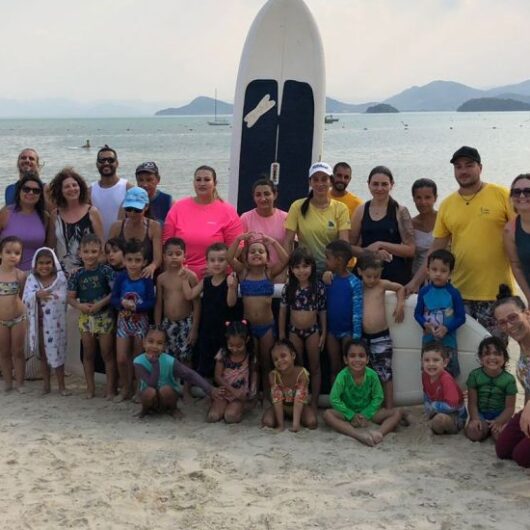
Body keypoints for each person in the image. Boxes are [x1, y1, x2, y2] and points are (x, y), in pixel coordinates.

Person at [406, 146, 513, 342]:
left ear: (480, 167)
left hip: (497, 292)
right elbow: (436, 248)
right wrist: (414, 283)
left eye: (469, 165)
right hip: (458, 293)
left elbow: (520, 235)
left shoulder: (501, 194)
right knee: (462, 350)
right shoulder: (448, 204)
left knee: (496, 352)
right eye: (458, 166)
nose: (463, 171)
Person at [227, 232, 289, 396]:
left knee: (266, 361)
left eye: (261, 251)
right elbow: (229, 258)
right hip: (248, 327)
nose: (256, 254)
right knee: (252, 363)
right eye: (252, 251)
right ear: (246, 258)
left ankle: (268, 394)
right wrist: (239, 239)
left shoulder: (269, 274)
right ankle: (253, 394)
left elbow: (286, 259)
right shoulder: (243, 273)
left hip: (267, 326)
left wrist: (273, 241)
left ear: (267, 258)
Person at [163, 165, 242, 279]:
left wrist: (218, 266)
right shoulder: (178, 208)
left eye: (207, 179)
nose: (202, 183)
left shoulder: (228, 211)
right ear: (194, 183)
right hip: (181, 277)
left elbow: (237, 246)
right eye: (198, 179)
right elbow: (166, 243)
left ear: (215, 183)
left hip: (215, 278)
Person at [323, 339, 402, 446]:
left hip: (370, 414)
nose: (357, 359)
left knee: (396, 413)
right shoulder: (342, 376)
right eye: (352, 356)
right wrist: (351, 415)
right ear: (345, 360)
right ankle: (357, 435)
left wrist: (366, 414)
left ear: (367, 359)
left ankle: (379, 433)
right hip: (348, 414)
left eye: (361, 356)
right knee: (327, 414)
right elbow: (334, 398)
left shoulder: (372, 375)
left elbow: (378, 397)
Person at [134, 326, 223, 419]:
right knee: (149, 391)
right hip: (149, 397)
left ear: (164, 346)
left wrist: (210, 389)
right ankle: (144, 410)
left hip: (167, 398)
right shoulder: (138, 361)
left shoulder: (169, 361)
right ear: (144, 343)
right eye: (150, 341)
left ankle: (173, 409)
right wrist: (155, 364)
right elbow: (151, 384)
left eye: (159, 343)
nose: (154, 346)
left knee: (166, 389)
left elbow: (190, 374)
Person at [67, 234, 115, 399]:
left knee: (107, 353)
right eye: (86, 251)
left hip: (105, 317)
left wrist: (100, 304)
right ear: (80, 253)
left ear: (100, 252)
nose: (90, 255)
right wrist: (79, 306)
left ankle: (110, 389)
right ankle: (90, 389)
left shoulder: (106, 270)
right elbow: (70, 297)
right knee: (88, 353)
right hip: (86, 318)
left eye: (94, 251)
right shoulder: (76, 274)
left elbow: (114, 292)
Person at [181, 242, 239, 378]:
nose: (217, 263)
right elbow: (190, 295)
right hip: (207, 328)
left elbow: (231, 303)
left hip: (224, 330)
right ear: (206, 262)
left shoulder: (230, 280)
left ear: (228, 262)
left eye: (221, 260)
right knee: (206, 358)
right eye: (212, 260)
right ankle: (207, 388)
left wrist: (231, 287)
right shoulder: (205, 281)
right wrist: (184, 279)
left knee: (224, 360)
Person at [279, 247, 326, 409]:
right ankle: (299, 401)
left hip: (313, 330)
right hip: (294, 332)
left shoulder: (318, 287)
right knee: (297, 367)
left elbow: (322, 311)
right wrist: (281, 334)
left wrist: (323, 333)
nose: (301, 271)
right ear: (291, 269)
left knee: (315, 366)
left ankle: (314, 403)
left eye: (305, 266)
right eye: (297, 267)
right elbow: (283, 312)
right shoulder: (289, 288)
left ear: (312, 267)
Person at [350, 166, 415, 285]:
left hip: (394, 275)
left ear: (392, 185)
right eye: (375, 184)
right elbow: (350, 247)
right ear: (368, 184)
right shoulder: (361, 210)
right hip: (366, 274)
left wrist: (381, 244)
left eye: (384, 184)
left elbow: (410, 250)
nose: (379, 188)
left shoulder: (400, 211)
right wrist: (370, 252)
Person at [284, 162, 351, 274]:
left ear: (331, 182)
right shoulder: (297, 206)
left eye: (324, 179)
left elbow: (343, 244)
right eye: (315, 179)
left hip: (331, 271)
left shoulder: (341, 208)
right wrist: (289, 270)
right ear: (310, 182)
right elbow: (288, 241)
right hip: (305, 271)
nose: (320, 183)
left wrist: (335, 271)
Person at [357, 252, 405, 409]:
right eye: (368, 276)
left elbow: (400, 288)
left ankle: (389, 408)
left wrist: (400, 305)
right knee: (366, 374)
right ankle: (371, 406)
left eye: (376, 276)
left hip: (381, 337)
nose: (372, 280)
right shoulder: (357, 286)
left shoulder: (382, 284)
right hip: (363, 338)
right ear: (360, 272)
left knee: (386, 374)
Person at [154, 238, 200, 400]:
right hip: (167, 324)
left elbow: (196, 305)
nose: (174, 257)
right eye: (170, 254)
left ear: (184, 256)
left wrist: (194, 328)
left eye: (178, 254)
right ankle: (171, 389)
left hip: (185, 323)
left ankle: (187, 390)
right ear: (164, 256)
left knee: (186, 358)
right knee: (167, 358)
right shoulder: (161, 278)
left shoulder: (191, 276)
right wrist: (158, 326)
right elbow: (159, 303)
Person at [111, 239, 156, 402]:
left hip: (140, 322)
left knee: (138, 357)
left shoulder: (146, 279)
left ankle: (139, 389)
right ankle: (126, 387)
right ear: (124, 260)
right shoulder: (121, 278)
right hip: (123, 321)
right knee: (122, 358)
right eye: (129, 260)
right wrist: (121, 303)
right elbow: (114, 298)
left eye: (138, 260)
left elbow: (152, 302)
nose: (133, 264)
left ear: (144, 262)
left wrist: (137, 307)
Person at [23, 247, 69, 396]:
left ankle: (62, 386)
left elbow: (63, 297)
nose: (44, 266)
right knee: (43, 354)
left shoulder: (60, 279)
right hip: (39, 324)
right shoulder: (31, 279)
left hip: (56, 325)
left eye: (48, 262)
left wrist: (50, 296)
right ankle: (46, 385)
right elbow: (25, 298)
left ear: (54, 263)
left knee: (58, 352)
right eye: (41, 263)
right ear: (35, 265)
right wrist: (36, 294)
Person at [414, 249, 466, 377]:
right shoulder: (424, 292)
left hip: (448, 343)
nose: (438, 274)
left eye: (443, 271)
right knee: (428, 375)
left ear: (450, 274)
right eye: (434, 269)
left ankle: (449, 398)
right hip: (428, 341)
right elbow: (417, 314)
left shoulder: (454, 293)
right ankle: (430, 397)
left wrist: (446, 328)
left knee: (448, 376)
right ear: (428, 270)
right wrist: (425, 324)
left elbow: (461, 317)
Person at [494, 288, 530, 467]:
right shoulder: (523, 347)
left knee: (522, 456)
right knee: (503, 448)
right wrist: (524, 418)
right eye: (502, 322)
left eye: (513, 317)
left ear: (527, 314)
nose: (509, 326)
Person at [48, 167, 104, 275]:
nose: (72, 189)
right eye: (67, 187)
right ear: (61, 191)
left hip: (89, 274)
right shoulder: (55, 215)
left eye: (74, 185)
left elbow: (102, 247)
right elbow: (51, 248)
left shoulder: (92, 212)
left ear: (80, 187)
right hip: (62, 275)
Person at [323, 240, 363, 383]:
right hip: (331, 332)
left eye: (328, 258)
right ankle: (336, 399)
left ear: (339, 260)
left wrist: (357, 337)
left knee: (351, 368)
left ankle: (350, 398)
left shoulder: (355, 282)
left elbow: (357, 311)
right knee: (334, 367)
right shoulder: (328, 279)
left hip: (348, 332)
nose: (325, 261)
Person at [465, 336, 517, 442]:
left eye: (497, 354)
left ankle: (493, 429)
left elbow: (510, 408)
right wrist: (475, 418)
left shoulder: (509, 379)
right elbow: (472, 403)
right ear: (480, 358)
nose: (492, 357)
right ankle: (484, 428)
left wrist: (499, 421)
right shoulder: (474, 376)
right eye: (487, 354)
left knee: (500, 436)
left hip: (500, 414)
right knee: (474, 433)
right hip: (481, 414)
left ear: (505, 358)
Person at [207, 320, 258, 424]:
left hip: (240, 395)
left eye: (239, 346)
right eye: (231, 345)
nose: (234, 349)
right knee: (213, 416)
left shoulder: (250, 356)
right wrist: (233, 391)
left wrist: (252, 389)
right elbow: (217, 376)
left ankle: (244, 407)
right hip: (225, 392)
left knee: (230, 417)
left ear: (247, 340)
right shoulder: (223, 353)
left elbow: (255, 372)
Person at [261, 339, 317, 432]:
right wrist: (281, 425)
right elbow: (277, 399)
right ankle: (281, 420)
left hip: (300, 406)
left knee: (312, 422)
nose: (280, 361)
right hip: (281, 406)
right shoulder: (273, 375)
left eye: (283, 356)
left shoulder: (302, 373)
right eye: (275, 359)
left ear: (293, 355)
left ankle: (295, 420)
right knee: (267, 422)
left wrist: (296, 425)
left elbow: (300, 398)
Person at [240, 178, 288, 283]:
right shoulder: (245, 218)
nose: (263, 198)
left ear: (275, 195)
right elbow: (242, 250)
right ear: (253, 197)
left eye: (267, 194)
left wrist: (284, 273)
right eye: (258, 195)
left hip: (280, 273)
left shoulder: (286, 218)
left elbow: (290, 248)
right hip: (254, 275)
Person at [0, 175, 51, 271]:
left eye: (36, 191)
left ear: (40, 195)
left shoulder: (44, 217)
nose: (31, 192)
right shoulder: (5, 213)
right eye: (26, 189)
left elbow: (48, 246)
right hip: (8, 274)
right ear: (19, 191)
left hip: (36, 275)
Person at [109, 187, 162, 279]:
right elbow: (108, 253)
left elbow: (157, 259)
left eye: (137, 210)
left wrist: (152, 267)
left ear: (146, 207)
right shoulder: (116, 227)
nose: (132, 213)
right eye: (129, 209)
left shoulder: (154, 227)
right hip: (120, 274)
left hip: (144, 274)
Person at [421, 342, 467, 435]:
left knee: (439, 420)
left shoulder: (446, 379)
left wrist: (434, 406)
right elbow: (426, 394)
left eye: (435, 360)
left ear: (445, 362)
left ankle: (432, 425)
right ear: (422, 362)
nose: (431, 364)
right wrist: (428, 409)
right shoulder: (424, 375)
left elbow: (453, 406)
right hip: (438, 411)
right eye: (426, 360)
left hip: (456, 416)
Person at [0, 236, 27, 393]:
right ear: (1, 254)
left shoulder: (21, 275)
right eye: (8, 252)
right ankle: (8, 382)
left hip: (18, 318)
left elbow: (23, 295)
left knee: (18, 351)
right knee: (3, 352)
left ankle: (20, 383)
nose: (13, 256)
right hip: (1, 320)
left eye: (17, 253)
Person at [90, 145, 132, 240]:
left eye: (110, 160)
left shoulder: (128, 188)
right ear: (97, 164)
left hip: (121, 245)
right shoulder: (90, 190)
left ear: (117, 163)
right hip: (98, 247)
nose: (106, 163)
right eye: (102, 160)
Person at [503, 173, 530, 305]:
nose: (522, 196)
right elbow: (516, 266)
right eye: (516, 192)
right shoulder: (510, 230)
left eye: (528, 191)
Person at [411, 178, 438, 275]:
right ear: (413, 198)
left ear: (435, 198)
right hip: (417, 276)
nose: (423, 202)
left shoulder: (443, 220)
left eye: (427, 197)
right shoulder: (410, 224)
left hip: (442, 275)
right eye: (418, 198)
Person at [134, 161, 173, 226]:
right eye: (140, 180)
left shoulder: (168, 201)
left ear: (158, 180)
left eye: (149, 180)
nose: (144, 184)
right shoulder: (131, 202)